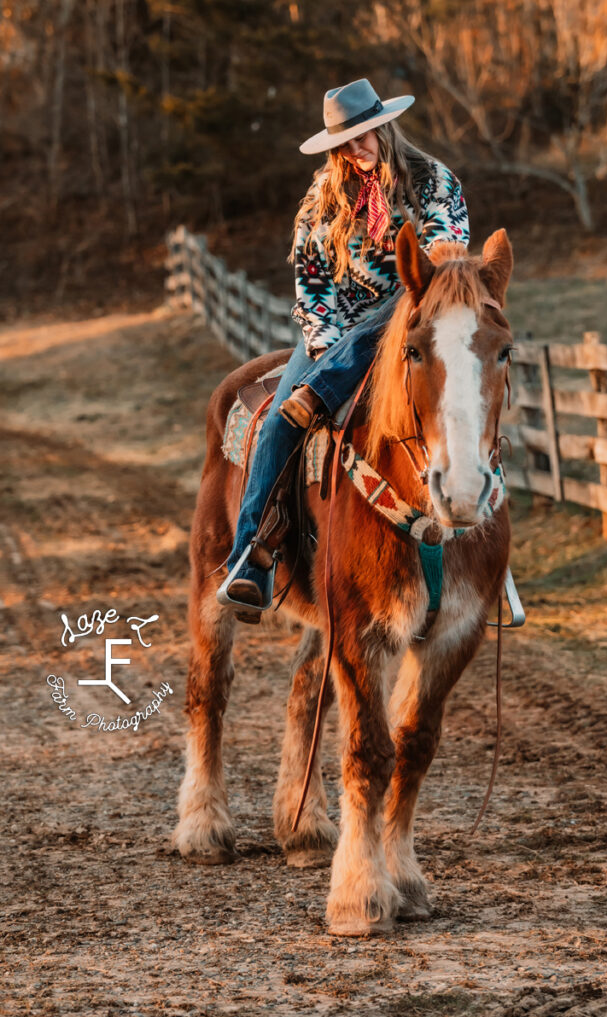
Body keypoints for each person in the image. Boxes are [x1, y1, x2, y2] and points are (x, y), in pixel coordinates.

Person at [217, 77, 470, 618]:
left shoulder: (433, 182)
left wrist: (342, 368)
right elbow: (313, 290)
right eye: (343, 143)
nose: (355, 150)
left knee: (468, 392)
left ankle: (484, 544)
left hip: (417, 321)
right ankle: (250, 558)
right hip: (331, 335)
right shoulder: (321, 201)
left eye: (363, 136)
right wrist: (332, 353)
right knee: (280, 423)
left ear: (384, 127)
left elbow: (439, 265)